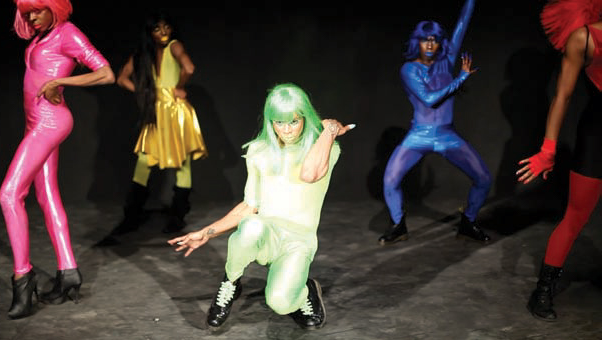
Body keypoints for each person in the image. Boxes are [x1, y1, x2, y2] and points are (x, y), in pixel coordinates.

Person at [168, 83, 353, 330]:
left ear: (304, 118)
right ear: (270, 121)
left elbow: (310, 174)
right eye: (279, 122)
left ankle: (306, 291)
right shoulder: (259, 151)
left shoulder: (325, 148)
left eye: (293, 121)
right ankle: (231, 283)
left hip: (298, 242)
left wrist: (328, 131)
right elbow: (249, 206)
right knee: (252, 225)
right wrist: (206, 233)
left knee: (279, 302)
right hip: (266, 235)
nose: (286, 130)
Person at [0, 0, 114, 319]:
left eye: (37, 9)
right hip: (35, 122)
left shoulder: (67, 33)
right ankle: (69, 271)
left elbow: (105, 73)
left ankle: (23, 277)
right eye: (26, 12)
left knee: (8, 194)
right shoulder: (41, 38)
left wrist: (61, 82)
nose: (31, 16)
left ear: (54, 6)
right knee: (46, 196)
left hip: (50, 121)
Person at [379, 0, 492, 245]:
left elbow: (463, 23)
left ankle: (468, 222)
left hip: (447, 136)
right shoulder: (408, 70)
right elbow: (430, 99)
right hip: (419, 135)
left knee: (483, 178)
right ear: (416, 42)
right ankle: (398, 225)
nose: (430, 44)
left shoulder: (446, 60)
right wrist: (461, 78)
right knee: (389, 180)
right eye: (425, 39)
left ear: (440, 42)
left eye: (434, 39)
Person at [516, 0, 602, 321]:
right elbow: (562, 96)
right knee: (576, 216)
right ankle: (543, 289)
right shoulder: (583, 38)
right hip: (598, 138)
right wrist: (548, 150)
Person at [113, 12, 208, 235]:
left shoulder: (174, 45)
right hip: (156, 113)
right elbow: (121, 78)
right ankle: (133, 215)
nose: (163, 32)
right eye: (157, 28)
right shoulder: (143, 54)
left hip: (175, 111)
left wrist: (179, 86)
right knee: (146, 160)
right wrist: (146, 93)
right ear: (150, 32)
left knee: (181, 163)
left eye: (166, 27)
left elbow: (189, 67)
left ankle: (177, 216)